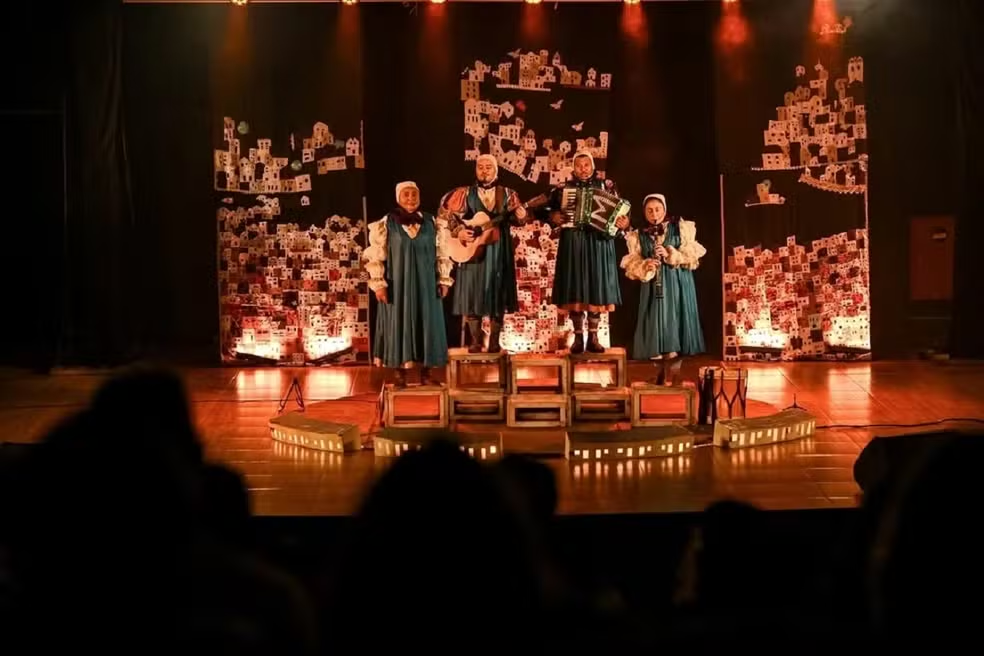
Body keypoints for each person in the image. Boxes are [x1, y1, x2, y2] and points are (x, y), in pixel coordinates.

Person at [364, 181, 453, 387]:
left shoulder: (432, 222)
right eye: (406, 194)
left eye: (414, 194)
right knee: (397, 322)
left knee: (428, 323)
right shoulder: (386, 223)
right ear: (398, 198)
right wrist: (378, 283)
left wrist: (444, 279)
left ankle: (427, 374)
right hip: (398, 284)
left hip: (426, 283)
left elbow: (442, 253)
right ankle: (399, 374)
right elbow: (376, 255)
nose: (411, 198)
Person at [541, 151, 629, 354]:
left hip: (599, 243)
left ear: (592, 166)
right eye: (579, 165)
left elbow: (620, 211)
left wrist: (623, 222)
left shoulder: (607, 186)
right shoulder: (563, 189)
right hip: (573, 242)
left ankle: (594, 337)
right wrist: (553, 216)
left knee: (596, 287)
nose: (583, 169)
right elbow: (543, 209)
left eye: (586, 164)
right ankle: (579, 337)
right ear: (573, 168)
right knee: (575, 286)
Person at [439, 154, 528, 353]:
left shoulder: (508, 194)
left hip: (499, 250)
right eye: (480, 167)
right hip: (472, 250)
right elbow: (445, 215)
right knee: (473, 292)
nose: (484, 170)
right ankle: (475, 341)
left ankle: (495, 341)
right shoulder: (464, 193)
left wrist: (522, 216)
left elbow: (519, 220)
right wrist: (458, 231)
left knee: (498, 292)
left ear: (496, 171)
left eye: (489, 167)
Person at [620, 193, 705, 384]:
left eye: (657, 209)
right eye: (649, 211)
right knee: (655, 326)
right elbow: (632, 261)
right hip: (653, 288)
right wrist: (645, 265)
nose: (654, 214)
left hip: (677, 284)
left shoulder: (680, 228)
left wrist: (670, 253)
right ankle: (659, 373)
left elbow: (692, 254)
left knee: (676, 323)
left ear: (664, 210)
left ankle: (675, 374)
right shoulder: (639, 235)